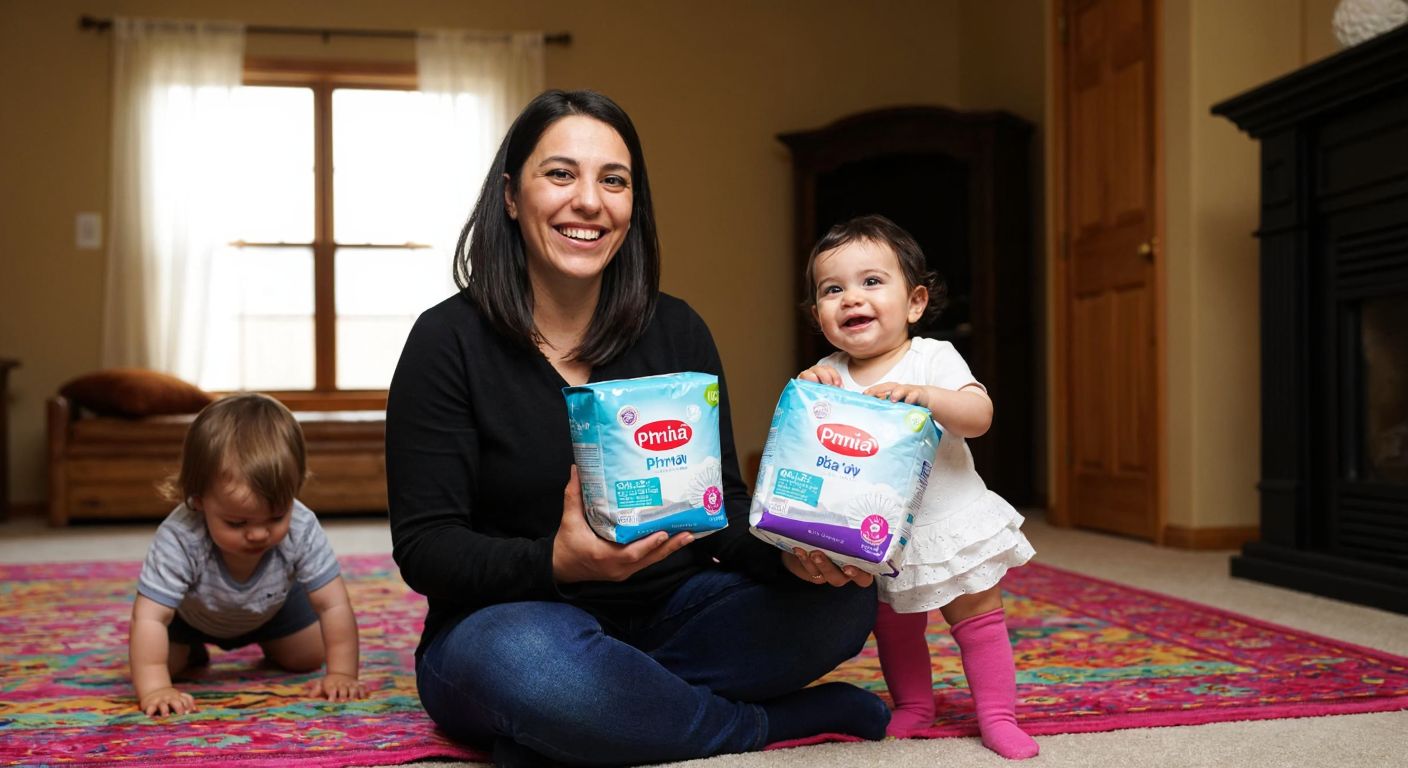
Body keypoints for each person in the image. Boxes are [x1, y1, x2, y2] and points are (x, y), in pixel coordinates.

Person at [386, 89, 889, 767]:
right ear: (511, 196)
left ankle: (595, 723)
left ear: (633, 205)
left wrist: (792, 554)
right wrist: (556, 562)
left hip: (676, 615)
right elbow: (427, 549)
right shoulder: (446, 341)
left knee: (843, 603)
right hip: (517, 622)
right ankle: (760, 724)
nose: (589, 201)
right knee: (534, 670)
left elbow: (726, 508)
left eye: (614, 181)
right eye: (560, 174)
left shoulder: (676, 328)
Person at [798, 214, 1039, 760]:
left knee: (977, 614)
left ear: (914, 302)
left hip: (947, 518)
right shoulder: (827, 373)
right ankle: (914, 706)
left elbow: (979, 415)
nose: (851, 298)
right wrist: (804, 393)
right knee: (894, 625)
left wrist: (927, 395)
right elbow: (806, 444)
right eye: (833, 290)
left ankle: (998, 716)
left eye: (871, 282)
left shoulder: (932, 357)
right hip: (878, 532)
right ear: (819, 316)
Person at [128, 393, 367, 717]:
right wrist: (156, 687)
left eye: (276, 516)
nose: (258, 534)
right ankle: (193, 650)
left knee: (310, 655)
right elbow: (150, 616)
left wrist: (342, 674)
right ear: (197, 500)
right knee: (160, 663)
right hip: (192, 616)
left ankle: (271, 641)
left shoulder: (301, 525)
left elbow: (333, 603)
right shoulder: (180, 536)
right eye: (237, 522)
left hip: (273, 607)